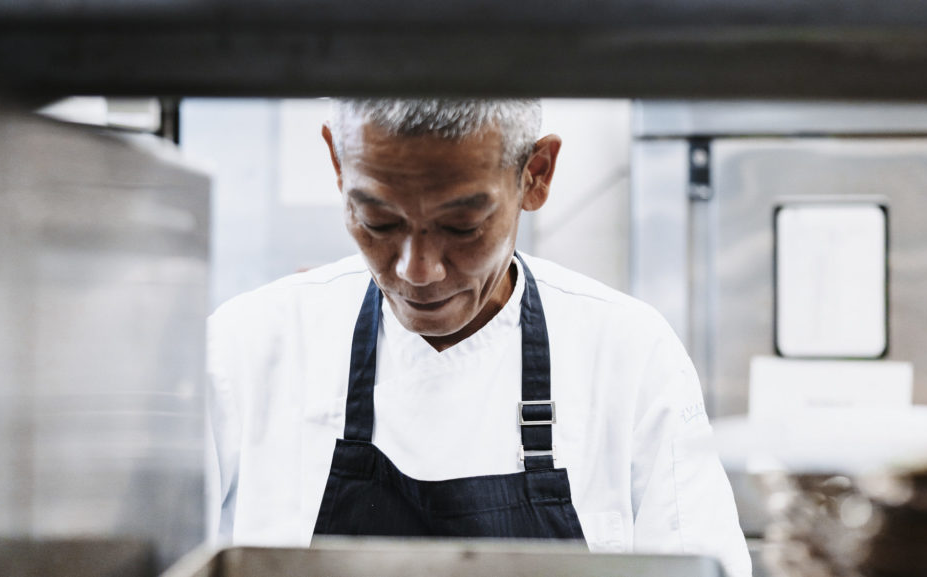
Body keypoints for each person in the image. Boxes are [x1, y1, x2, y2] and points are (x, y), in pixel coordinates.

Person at [206, 98, 751, 577]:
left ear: (535, 174)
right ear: (336, 162)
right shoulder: (246, 350)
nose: (418, 270)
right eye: (378, 221)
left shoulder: (629, 355)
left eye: (461, 227)